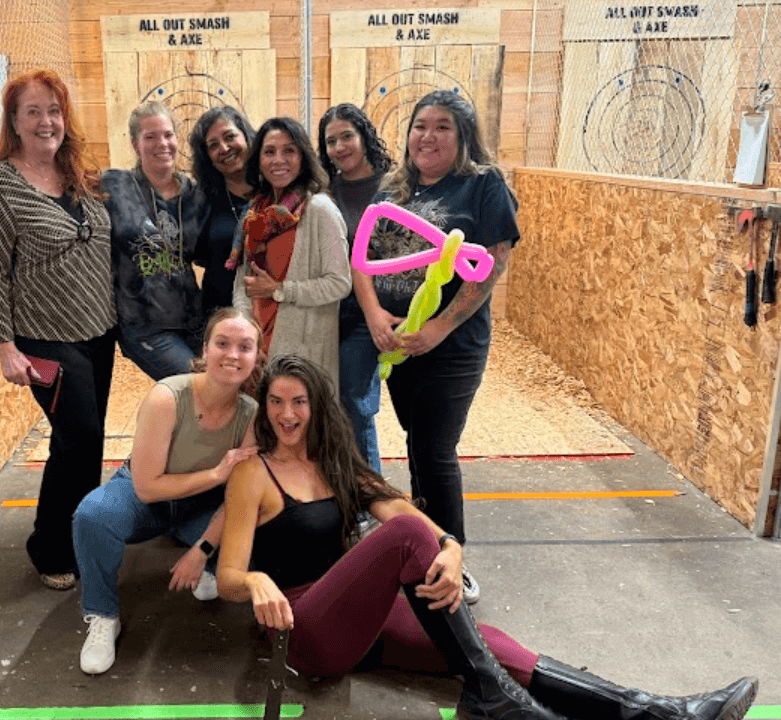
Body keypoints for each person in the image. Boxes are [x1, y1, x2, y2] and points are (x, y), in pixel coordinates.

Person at [217, 355, 759, 720]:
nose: (287, 414)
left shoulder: (335, 462)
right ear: (264, 408)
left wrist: (451, 548)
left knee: (491, 644)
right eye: (276, 403)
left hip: (362, 616)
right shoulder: (252, 474)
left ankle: (660, 711)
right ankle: (490, 697)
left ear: (317, 406)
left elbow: (401, 508)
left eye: (299, 402)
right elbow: (228, 579)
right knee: (408, 540)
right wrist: (256, 579)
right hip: (304, 628)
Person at [354, 90, 517, 598]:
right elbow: (365, 257)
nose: (428, 136)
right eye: (420, 125)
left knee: (435, 448)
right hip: (397, 342)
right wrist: (376, 315)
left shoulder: (483, 185)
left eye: (443, 126)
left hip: (450, 345)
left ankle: (454, 561)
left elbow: (493, 263)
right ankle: (429, 544)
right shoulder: (395, 188)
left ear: (464, 136)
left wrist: (440, 327)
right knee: (417, 444)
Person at [0, 68, 115, 592]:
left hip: (98, 332)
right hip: (44, 339)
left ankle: (86, 532)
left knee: (90, 442)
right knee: (75, 440)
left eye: (53, 110)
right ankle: (49, 547)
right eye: (32, 111)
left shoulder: (79, 172)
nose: (46, 121)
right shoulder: (0, 185)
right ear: (13, 120)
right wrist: (5, 347)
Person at [72, 307, 262, 675]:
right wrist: (216, 474)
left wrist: (200, 551)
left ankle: (202, 558)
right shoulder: (167, 396)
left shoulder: (250, 413)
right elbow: (146, 487)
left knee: (252, 544)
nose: (233, 355)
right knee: (92, 516)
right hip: (147, 497)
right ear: (205, 350)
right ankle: (102, 615)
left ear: (256, 356)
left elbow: (240, 498)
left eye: (245, 347)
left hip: (200, 504)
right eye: (222, 344)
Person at [231, 117, 351, 390]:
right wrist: (248, 339)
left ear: (303, 157)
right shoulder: (256, 210)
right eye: (269, 152)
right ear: (258, 160)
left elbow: (339, 283)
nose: (278, 160)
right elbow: (242, 281)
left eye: (289, 151)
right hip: (259, 347)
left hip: (302, 350)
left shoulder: (320, 209)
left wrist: (280, 290)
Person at [101, 99, 206, 380]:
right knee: (195, 386)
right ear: (136, 144)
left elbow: (205, 252)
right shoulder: (113, 186)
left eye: (168, 134)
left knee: (215, 393)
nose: (162, 143)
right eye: (151, 136)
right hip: (144, 324)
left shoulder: (195, 194)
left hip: (194, 319)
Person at [317, 103, 392, 477]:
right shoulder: (325, 191)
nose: (340, 146)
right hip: (331, 311)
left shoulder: (393, 186)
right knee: (333, 401)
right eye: (331, 141)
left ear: (365, 136)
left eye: (347, 136)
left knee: (355, 401)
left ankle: (371, 494)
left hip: (371, 314)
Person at [190, 106, 257, 318]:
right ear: (207, 157)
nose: (224, 148)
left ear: (246, 136)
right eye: (213, 145)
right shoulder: (202, 200)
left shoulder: (276, 189)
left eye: (230, 137)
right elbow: (198, 255)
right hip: (221, 314)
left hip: (275, 310)